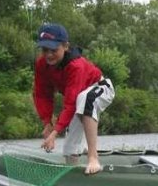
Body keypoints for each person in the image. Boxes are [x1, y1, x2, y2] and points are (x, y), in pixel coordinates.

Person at [33, 23, 115, 175]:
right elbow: (41, 94)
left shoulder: (76, 66)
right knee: (69, 148)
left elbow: (70, 103)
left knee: (85, 98)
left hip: (102, 88)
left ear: (65, 46)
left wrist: (54, 133)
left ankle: (93, 158)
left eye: (54, 50)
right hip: (79, 101)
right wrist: (47, 122)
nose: (49, 55)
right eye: (45, 50)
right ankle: (72, 177)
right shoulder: (41, 64)